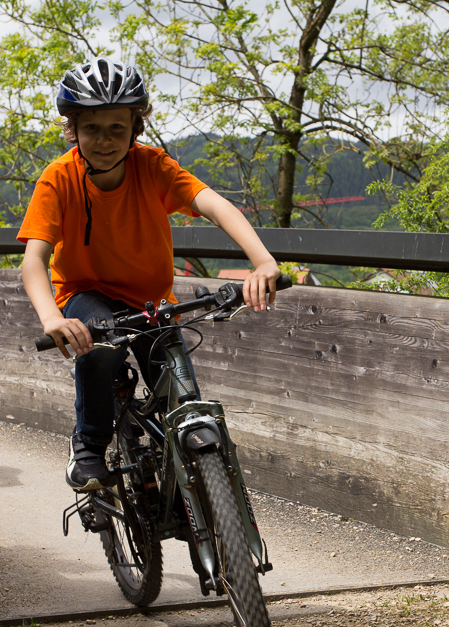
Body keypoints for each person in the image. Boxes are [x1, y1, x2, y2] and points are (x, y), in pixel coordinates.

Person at [18, 57, 282, 492]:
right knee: (98, 342)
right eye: (92, 128)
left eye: (117, 128)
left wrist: (263, 261)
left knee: (180, 391)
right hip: (87, 292)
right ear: (73, 129)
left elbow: (213, 205)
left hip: (151, 300)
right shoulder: (58, 179)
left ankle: (191, 491)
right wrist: (52, 318)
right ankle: (88, 446)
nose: (105, 140)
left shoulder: (153, 166)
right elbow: (34, 260)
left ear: (134, 129)